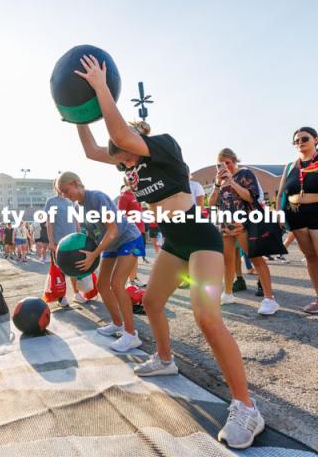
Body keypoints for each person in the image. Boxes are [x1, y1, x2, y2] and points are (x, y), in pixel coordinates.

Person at [73, 54, 263, 449]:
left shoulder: (163, 146)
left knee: (206, 317)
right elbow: (93, 149)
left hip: (200, 235)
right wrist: (78, 110)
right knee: (152, 301)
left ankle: (247, 407)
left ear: (137, 139)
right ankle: (165, 358)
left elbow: (121, 137)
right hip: (174, 240)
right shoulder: (128, 164)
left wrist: (101, 88)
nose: (121, 161)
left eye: (124, 153)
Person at [57, 172, 145, 353]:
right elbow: (91, 235)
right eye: (62, 193)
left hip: (128, 238)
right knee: (103, 285)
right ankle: (117, 324)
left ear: (75, 183)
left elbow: (112, 230)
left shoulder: (97, 198)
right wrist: (84, 258)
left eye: (66, 191)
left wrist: (94, 254)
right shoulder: (78, 206)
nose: (65, 196)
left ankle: (131, 335)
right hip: (110, 245)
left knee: (117, 284)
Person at [208, 148, 279, 315]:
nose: (225, 166)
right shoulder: (219, 180)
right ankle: (228, 293)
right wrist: (218, 184)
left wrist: (232, 182)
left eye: (228, 163)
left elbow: (250, 197)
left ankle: (270, 298)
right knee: (227, 259)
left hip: (245, 222)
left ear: (235, 160)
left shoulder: (245, 173)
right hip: (226, 223)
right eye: (220, 164)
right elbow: (211, 203)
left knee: (255, 257)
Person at [277, 126, 318, 314]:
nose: (300, 143)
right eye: (297, 141)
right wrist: (278, 212)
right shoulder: (290, 166)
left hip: (316, 211)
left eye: (304, 139)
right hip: (295, 214)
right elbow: (280, 194)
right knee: (310, 257)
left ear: (315, 139)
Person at [45, 180, 84, 305]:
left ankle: (76, 293)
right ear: (56, 187)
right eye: (59, 185)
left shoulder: (70, 201)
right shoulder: (51, 201)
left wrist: (79, 234)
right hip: (59, 241)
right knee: (61, 268)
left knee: (73, 267)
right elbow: (49, 223)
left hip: (72, 239)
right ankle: (61, 296)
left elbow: (75, 220)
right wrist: (51, 242)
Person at [117, 184, 146, 287]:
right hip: (130, 232)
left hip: (140, 230)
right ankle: (130, 281)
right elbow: (120, 216)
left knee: (136, 255)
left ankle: (133, 279)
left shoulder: (137, 195)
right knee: (129, 256)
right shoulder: (124, 196)